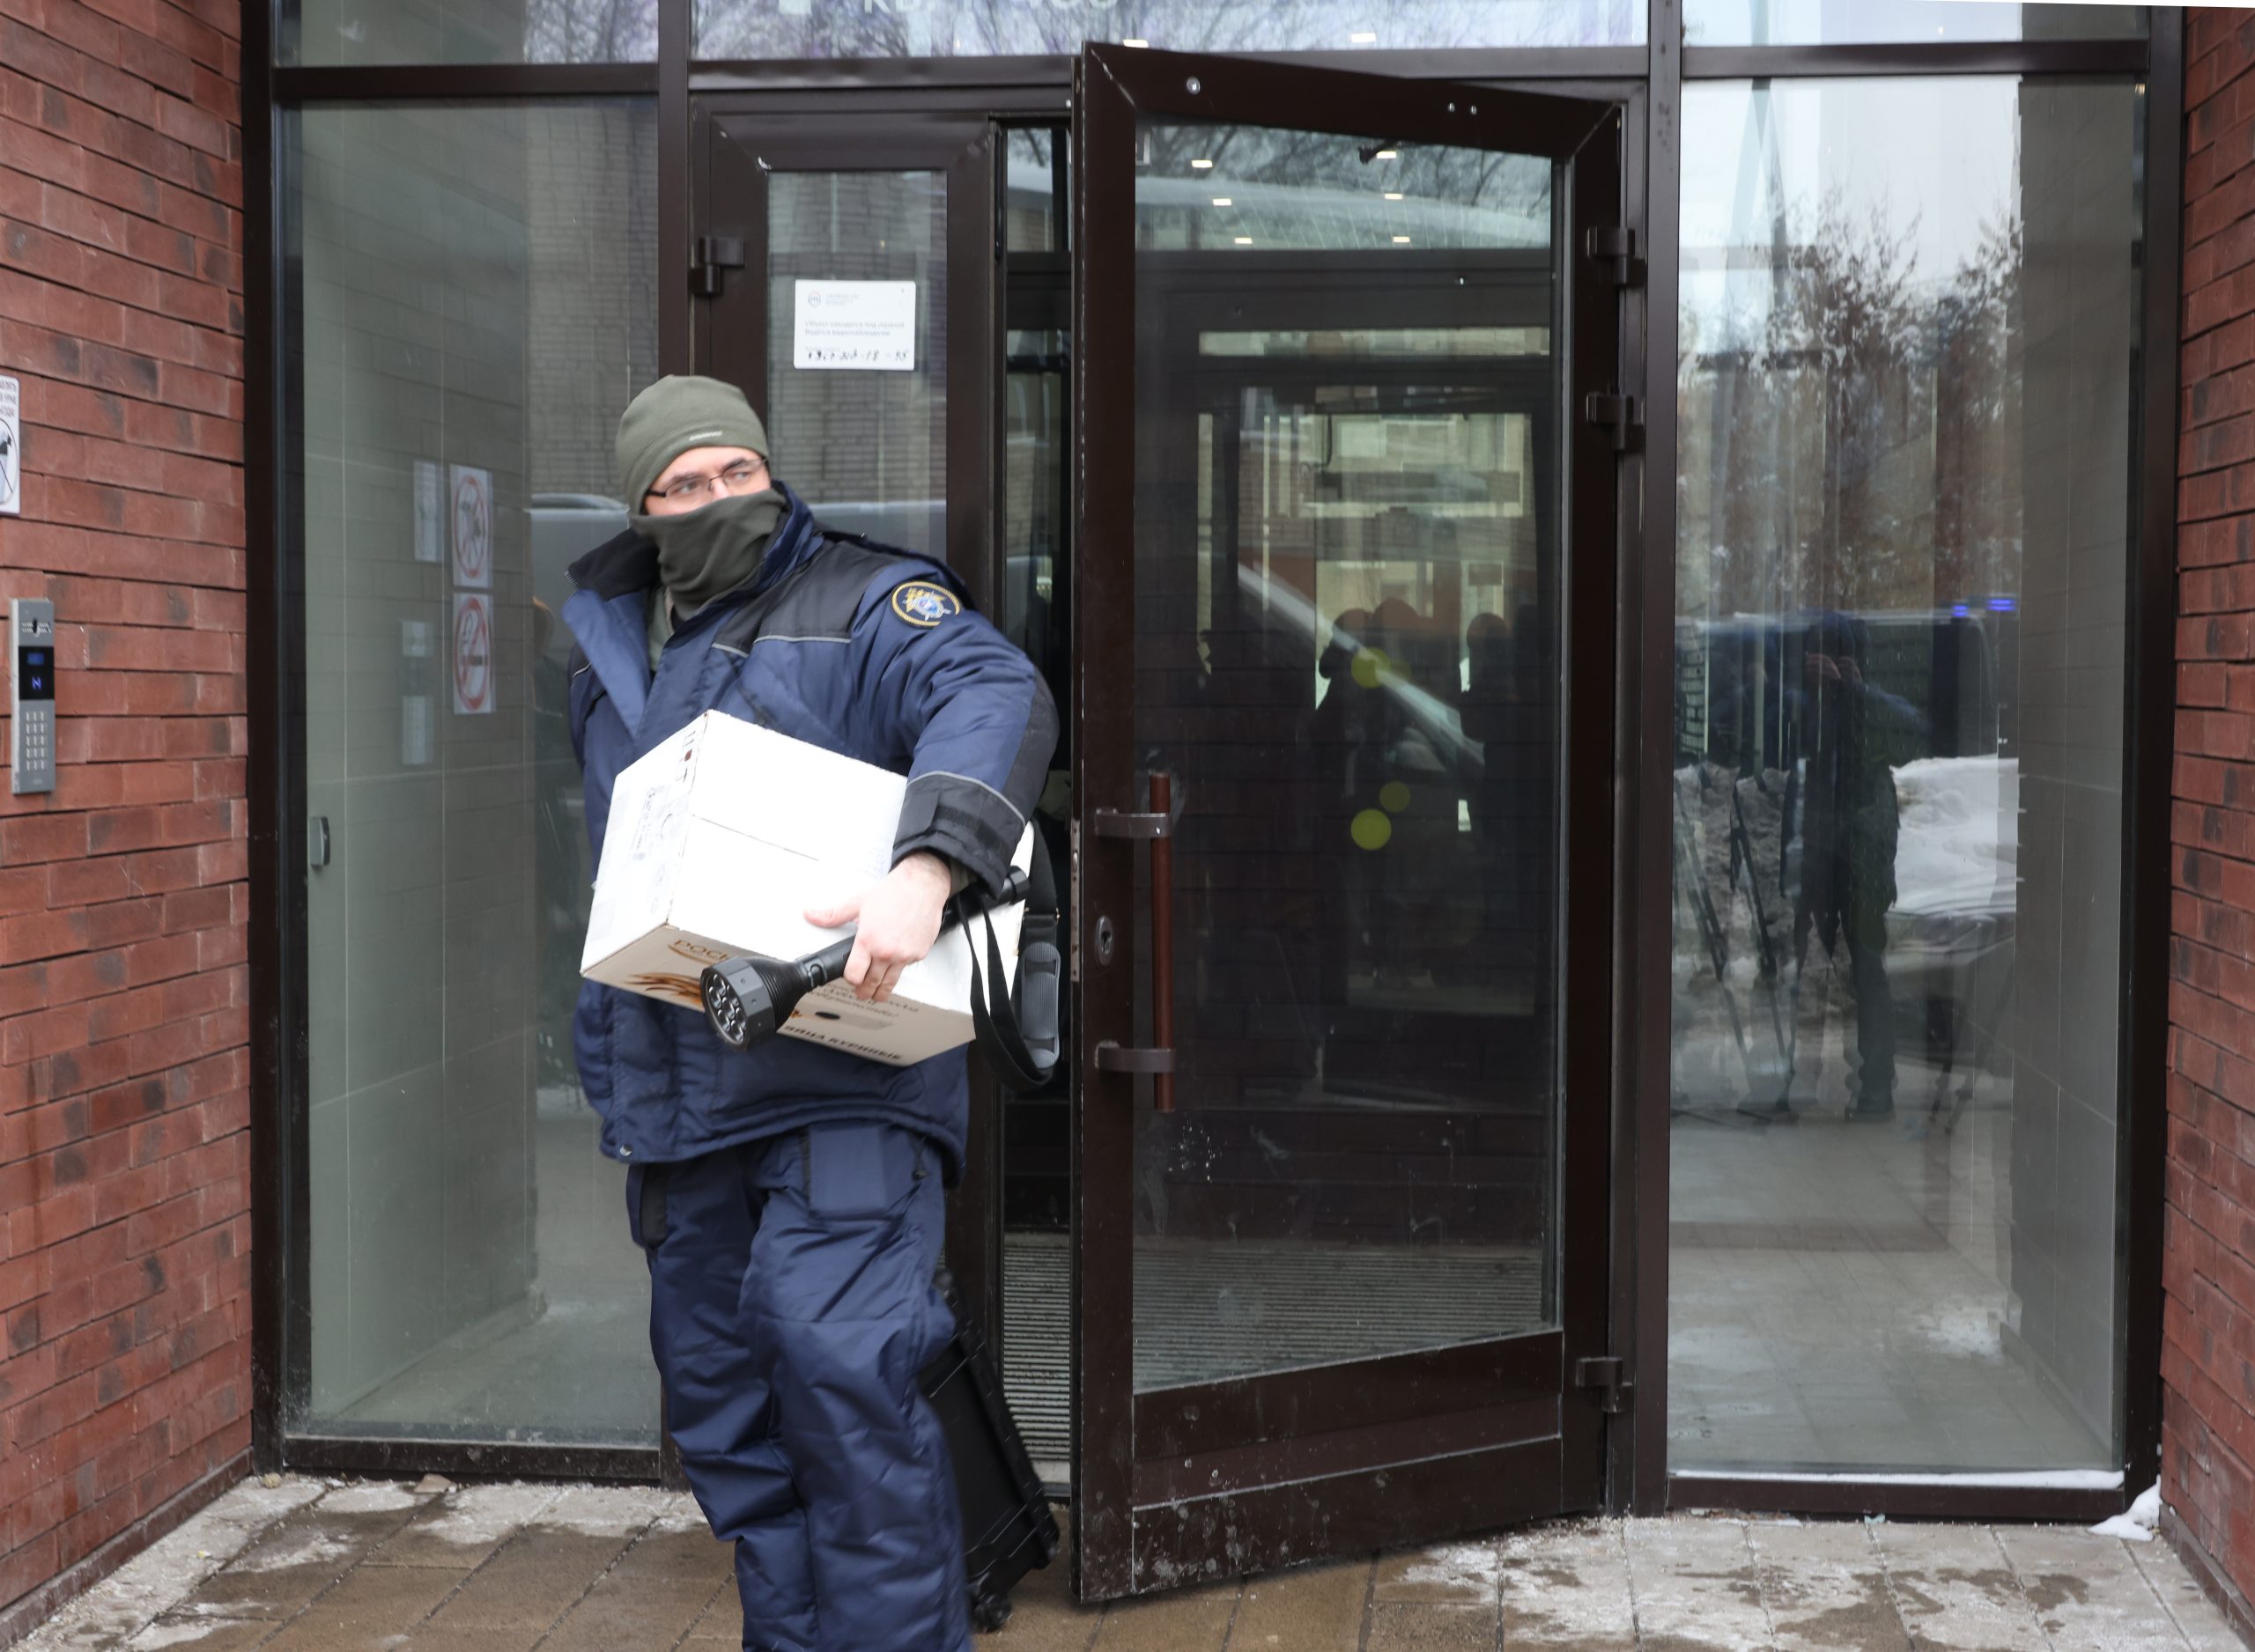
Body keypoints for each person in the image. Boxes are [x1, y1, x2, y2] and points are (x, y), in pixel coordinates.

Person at [561, 376, 1059, 1652]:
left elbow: (995, 692)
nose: (717, 497)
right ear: (642, 507)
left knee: (849, 1405)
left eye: (738, 471)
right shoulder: (608, 652)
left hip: (841, 1087)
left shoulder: (865, 604)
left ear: (770, 472)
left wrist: (928, 865)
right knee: (734, 1437)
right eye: (683, 483)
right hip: (681, 1110)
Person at [1786, 609, 1924, 1121]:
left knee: (1866, 966)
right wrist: (1803, 690)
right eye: (1820, 656)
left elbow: (1917, 734)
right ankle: (1790, 1081)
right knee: (1801, 966)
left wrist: (1860, 690)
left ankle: (1875, 1086)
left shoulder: (1868, 704)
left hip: (1862, 855)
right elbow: (1759, 734)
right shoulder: (1802, 704)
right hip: (1814, 850)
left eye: (1839, 657)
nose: (1831, 666)